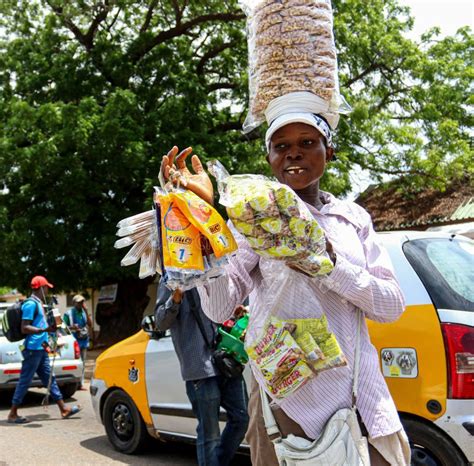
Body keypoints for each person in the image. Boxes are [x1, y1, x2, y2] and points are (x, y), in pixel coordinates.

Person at [160, 115, 412, 466]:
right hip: (285, 402)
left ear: (329, 151)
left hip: (360, 398)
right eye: (282, 147)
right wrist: (202, 220)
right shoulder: (249, 220)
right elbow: (219, 308)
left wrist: (330, 263)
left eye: (307, 143)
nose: (294, 154)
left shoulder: (352, 219)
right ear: (269, 160)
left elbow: (390, 306)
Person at [154, 280, 249, 466]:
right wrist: (175, 298)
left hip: (227, 359)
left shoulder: (218, 271)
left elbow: (229, 307)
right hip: (199, 366)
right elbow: (160, 321)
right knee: (209, 433)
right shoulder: (170, 279)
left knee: (242, 419)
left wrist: (237, 313)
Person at [7, 275, 82, 424]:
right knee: (25, 381)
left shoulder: (40, 304)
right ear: (41, 288)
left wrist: (50, 341)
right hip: (32, 349)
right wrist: (44, 330)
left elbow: (43, 327)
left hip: (40, 348)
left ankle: (63, 409)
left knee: (49, 379)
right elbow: (25, 327)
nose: (47, 290)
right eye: (46, 287)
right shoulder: (30, 304)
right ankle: (12, 413)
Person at [63, 294, 92, 390]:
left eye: (82, 302)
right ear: (74, 303)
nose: (81, 304)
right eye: (79, 302)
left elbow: (90, 324)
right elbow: (63, 327)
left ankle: (80, 384)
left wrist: (87, 311)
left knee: (83, 363)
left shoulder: (84, 312)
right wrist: (73, 327)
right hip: (74, 342)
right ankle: (73, 383)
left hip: (83, 340)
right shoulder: (68, 314)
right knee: (75, 363)